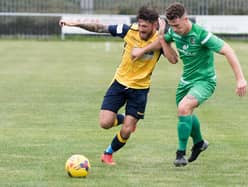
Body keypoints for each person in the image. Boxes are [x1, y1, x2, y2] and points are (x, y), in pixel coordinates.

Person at [132, 2, 247, 167]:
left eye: (177, 25)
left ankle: (180, 154)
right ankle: (199, 143)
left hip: (204, 81)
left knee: (184, 108)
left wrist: (240, 79)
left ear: (185, 19)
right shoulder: (174, 32)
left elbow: (228, 50)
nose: (175, 29)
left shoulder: (201, 35)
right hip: (185, 82)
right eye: (172, 26)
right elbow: (162, 40)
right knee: (185, 113)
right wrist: (142, 50)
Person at [59, 5, 177, 165]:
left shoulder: (160, 39)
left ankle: (108, 153)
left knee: (127, 130)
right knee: (105, 123)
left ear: (155, 25)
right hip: (119, 84)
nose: (141, 29)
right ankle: (126, 120)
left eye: (145, 27)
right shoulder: (129, 31)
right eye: (140, 25)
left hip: (140, 90)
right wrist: (75, 24)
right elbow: (100, 28)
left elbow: (173, 59)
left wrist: (162, 38)